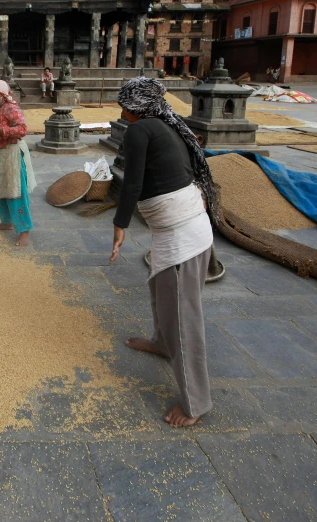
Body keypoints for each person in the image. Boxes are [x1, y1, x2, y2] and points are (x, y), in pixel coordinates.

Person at [110, 77, 217, 428]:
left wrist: (120, 223)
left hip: (184, 235)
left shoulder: (140, 132)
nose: (121, 111)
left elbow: (133, 181)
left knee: (184, 322)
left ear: (136, 106)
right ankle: (160, 342)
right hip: (187, 228)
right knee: (158, 286)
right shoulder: (167, 125)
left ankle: (195, 403)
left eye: (124, 104)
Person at [0, 80, 36, 247]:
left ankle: (24, 231)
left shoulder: (12, 109)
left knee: (14, 192)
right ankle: (7, 221)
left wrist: (1, 131)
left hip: (11, 153)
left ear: (5, 96)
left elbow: (22, 129)